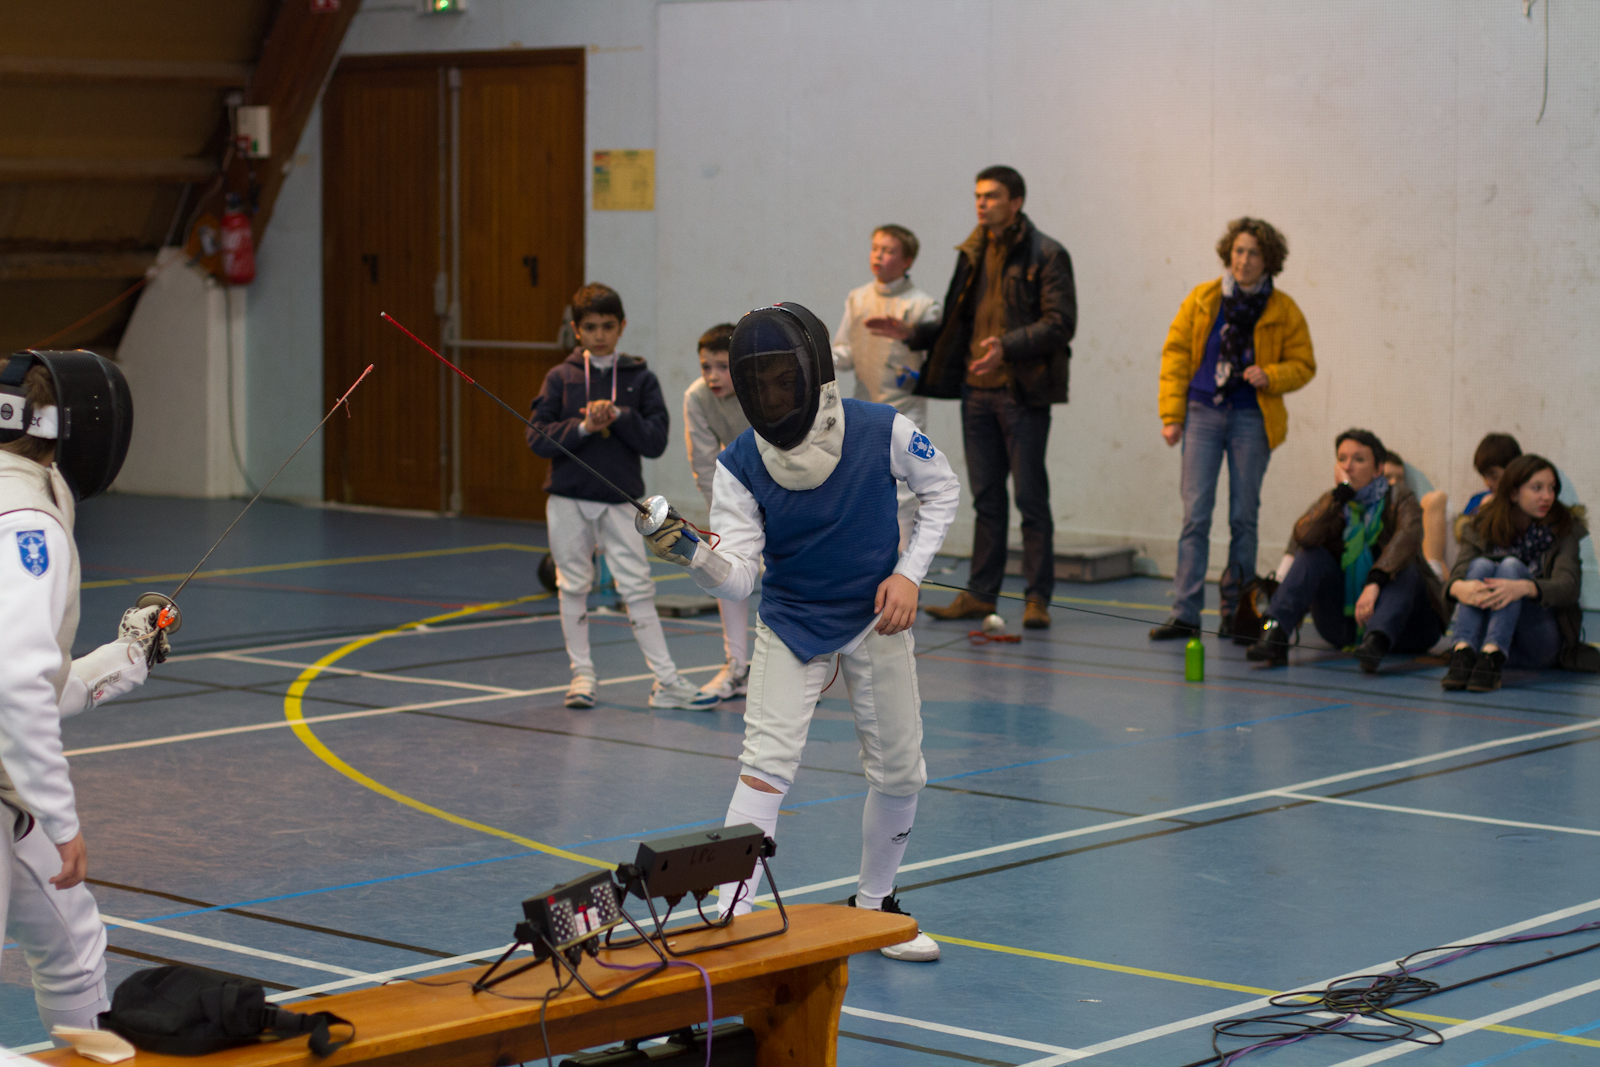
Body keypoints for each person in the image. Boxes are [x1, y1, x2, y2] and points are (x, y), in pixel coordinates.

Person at [644, 303, 960, 962]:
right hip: (792, 620)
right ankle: (732, 911)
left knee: (901, 771)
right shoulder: (739, 463)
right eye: (759, 383)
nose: (772, 394)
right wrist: (693, 553)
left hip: (876, 614)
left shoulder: (881, 428)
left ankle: (875, 906)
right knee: (764, 767)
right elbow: (739, 578)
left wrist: (909, 575)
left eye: (782, 378)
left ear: (813, 372)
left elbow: (943, 490)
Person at [2, 351, 169, 1034]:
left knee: (73, 943)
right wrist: (62, 820)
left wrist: (125, 657)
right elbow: (15, 682)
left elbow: (28, 680)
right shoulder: (26, 519)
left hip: (6, 798)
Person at [871, 166, 1075, 630]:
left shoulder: (1047, 254)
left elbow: (1060, 322)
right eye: (978, 195)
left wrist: (1007, 346)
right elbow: (957, 323)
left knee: (1030, 498)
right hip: (977, 392)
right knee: (986, 499)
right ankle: (981, 596)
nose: (981, 203)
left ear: (1016, 202)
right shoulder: (973, 252)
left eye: (992, 196)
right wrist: (914, 333)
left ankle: (1037, 598)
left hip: (1022, 392)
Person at [528, 283, 716, 711]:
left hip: (622, 503)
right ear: (576, 329)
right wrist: (583, 427)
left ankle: (666, 681)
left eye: (608, 326)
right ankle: (582, 676)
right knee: (572, 585)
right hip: (567, 500)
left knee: (637, 588)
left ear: (622, 327)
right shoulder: (560, 378)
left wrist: (619, 416)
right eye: (590, 327)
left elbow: (655, 441)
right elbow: (537, 438)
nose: (599, 335)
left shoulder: (640, 379)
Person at [1151, 217, 1316, 641]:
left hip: (1251, 418)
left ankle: (1236, 613)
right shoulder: (1203, 299)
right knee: (1195, 516)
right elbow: (1175, 355)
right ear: (1228, 254)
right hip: (1202, 413)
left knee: (1244, 518)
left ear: (1268, 260)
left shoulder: (1284, 309)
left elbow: (1304, 364)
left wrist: (1272, 375)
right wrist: (1171, 416)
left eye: (1254, 253)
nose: (1243, 260)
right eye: (1238, 251)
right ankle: (1185, 612)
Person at [1248, 429, 1448, 672]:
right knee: (1312, 555)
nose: (1348, 466)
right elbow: (1304, 536)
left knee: (1408, 570)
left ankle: (1376, 639)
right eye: (1342, 459)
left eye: (1358, 459)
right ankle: (1274, 633)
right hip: (1344, 627)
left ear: (1378, 469)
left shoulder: (1401, 498)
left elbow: (1407, 539)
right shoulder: (1334, 501)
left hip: (1411, 630)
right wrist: (1337, 499)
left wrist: (1374, 582)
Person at [1442, 454, 1595, 692]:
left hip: (1539, 642)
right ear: (1513, 493)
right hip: (1488, 637)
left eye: (1552, 488)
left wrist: (1525, 587)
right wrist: (1459, 588)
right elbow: (1458, 574)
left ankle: (1492, 657)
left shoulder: (1564, 528)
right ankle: (1463, 653)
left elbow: (1569, 586)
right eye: (1537, 488)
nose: (1547, 496)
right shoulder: (1484, 523)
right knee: (1480, 566)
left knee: (1510, 567)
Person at [831, 224, 942, 550]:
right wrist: (818, 357)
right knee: (864, 488)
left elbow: (936, 365)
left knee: (904, 494)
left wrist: (908, 338)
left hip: (905, 411)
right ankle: (869, 570)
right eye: (876, 248)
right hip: (864, 410)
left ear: (907, 261)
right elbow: (845, 351)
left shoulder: (924, 306)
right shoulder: (858, 298)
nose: (879, 256)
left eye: (889, 251)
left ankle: (903, 571)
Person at [683, 322, 753, 702]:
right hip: (736, 492)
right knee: (726, 570)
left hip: (786, 489)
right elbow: (703, 462)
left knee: (789, 577)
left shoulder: (760, 390)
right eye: (705, 367)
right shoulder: (697, 397)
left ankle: (794, 669)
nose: (712, 376)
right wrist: (723, 517)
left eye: (723, 367)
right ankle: (736, 665)